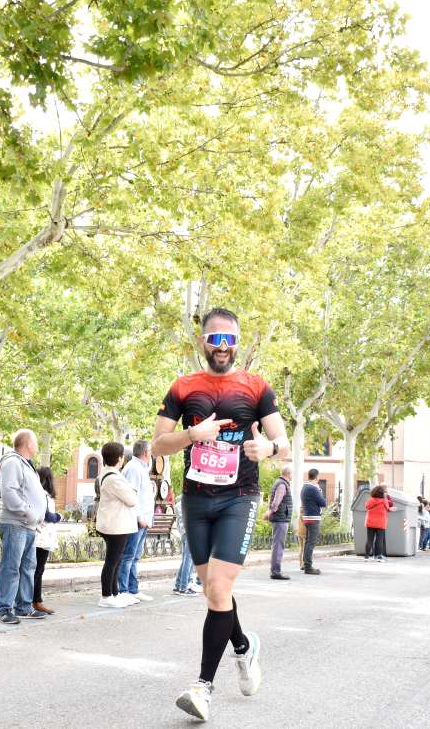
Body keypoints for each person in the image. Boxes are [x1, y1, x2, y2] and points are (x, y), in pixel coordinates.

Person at [153, 307, 289, 721]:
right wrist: (193, 434)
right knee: (217, 593)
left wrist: (267, 448)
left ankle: (202, 688)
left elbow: (283, 440)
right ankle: (244, 648)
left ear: (238, 343)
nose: (222, 347)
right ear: (203, 342)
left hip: (239, 498)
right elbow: (158, 444)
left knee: (216, 588)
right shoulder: (183, 386)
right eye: (215, 339)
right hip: (196, 500)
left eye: (229, 340)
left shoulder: (255, 387)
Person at [0, 429, 51, 624]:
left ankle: (24, 606)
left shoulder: (25, 464)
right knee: (11, 567)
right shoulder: (12, 462)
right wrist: (29, 511)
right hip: (15, 524)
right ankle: (3, 609)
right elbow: (9, 493)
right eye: (35, 442)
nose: (37, 445)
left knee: (28, 567)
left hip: (28, 526)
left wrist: (37, 515)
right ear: (27, 444)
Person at [95, 442, 138, 608]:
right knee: (112, 561)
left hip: (113, 523)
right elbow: (132, 499)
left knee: (116, 560)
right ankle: (106, 596)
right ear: (120, 458)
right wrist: (132, 490)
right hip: (116, 525)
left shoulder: (107, 474)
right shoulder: (114, 478)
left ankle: (114, 593)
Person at [117, 440, 155, 603]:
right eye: (151, 452)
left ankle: (133, 589)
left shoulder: (140, 468)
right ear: (146, 453)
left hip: (143, 520)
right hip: (136, 520)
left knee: (134, 556)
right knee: (128, 556)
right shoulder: (133, 468)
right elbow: (131, 496)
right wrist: (140, 518)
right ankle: (123, 590)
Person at [32, 466, 60, 615]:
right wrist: (58, 517)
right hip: (41, 538)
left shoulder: (41, 494)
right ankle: (35, 601)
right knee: (37, 570)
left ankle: (35, 600)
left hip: (42, 537)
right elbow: (47, 515)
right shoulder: (43, 495)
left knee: (37, 570)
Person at [265, 464, 293, 579]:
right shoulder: (282, 484)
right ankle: (276, 572)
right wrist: (270, 512)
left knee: (277, 544)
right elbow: (276, 501)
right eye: (292, 474)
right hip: (280, 518)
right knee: (278, 545)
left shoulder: (280, 482)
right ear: (289, 474)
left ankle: (275, 571)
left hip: (280, 517)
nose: (292, 476)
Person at [298, 469, 326, 574]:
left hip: (306, 517)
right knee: (311, 542)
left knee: (307, 542)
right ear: (317, 477)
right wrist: (320, 492)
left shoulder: (304, 487)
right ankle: (308, 567)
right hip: (313, 518)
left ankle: (306, 564)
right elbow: (323, 502)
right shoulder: (314, 488)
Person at [174, 493, 200, 595]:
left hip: (185, 533)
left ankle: (179, 585)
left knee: (186, 560)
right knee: (189, 560)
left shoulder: (180, 503)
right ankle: (184, 587)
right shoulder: (187, 503)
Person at [364, 485, 393, 562]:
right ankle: (378, 556)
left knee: (369, 539)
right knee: (379, 540)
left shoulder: (370, 500)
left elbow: (366, 506)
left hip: (370, 522)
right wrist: (391, 509)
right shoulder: (384, 501)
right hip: (381, 523)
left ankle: (367, 556)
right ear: (382, 493)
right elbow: (388, 508)